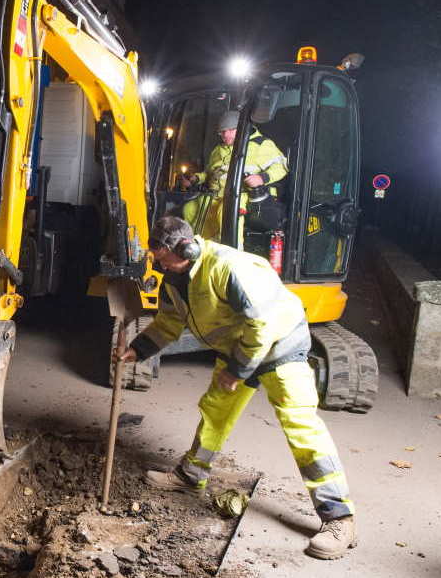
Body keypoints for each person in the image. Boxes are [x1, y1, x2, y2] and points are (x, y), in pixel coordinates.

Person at [116, 216, 357, 560]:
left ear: (186, 248)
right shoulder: (174, 278)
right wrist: (138, 349)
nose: (157, 264)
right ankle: (191, 474)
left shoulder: (229, 268)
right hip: (238, 349)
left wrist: (238, 370)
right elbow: (169, 322)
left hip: (279, 346)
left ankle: (339, 518)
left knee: (300, 425)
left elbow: (262, 325)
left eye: (161, 257)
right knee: (215, 410)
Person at [180, 110, 288, 242]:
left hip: (243, 195)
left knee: (225, 211)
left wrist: (262, 178)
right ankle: (199, 249)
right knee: (189, 209)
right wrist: (196, 178)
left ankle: (232, 252)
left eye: (230, 130)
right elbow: (209, 172)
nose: (225, 135)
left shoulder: (261, 144)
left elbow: (282, 166)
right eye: (222, 131)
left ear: (242, 129)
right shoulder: (218, 149)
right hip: (216, 195)